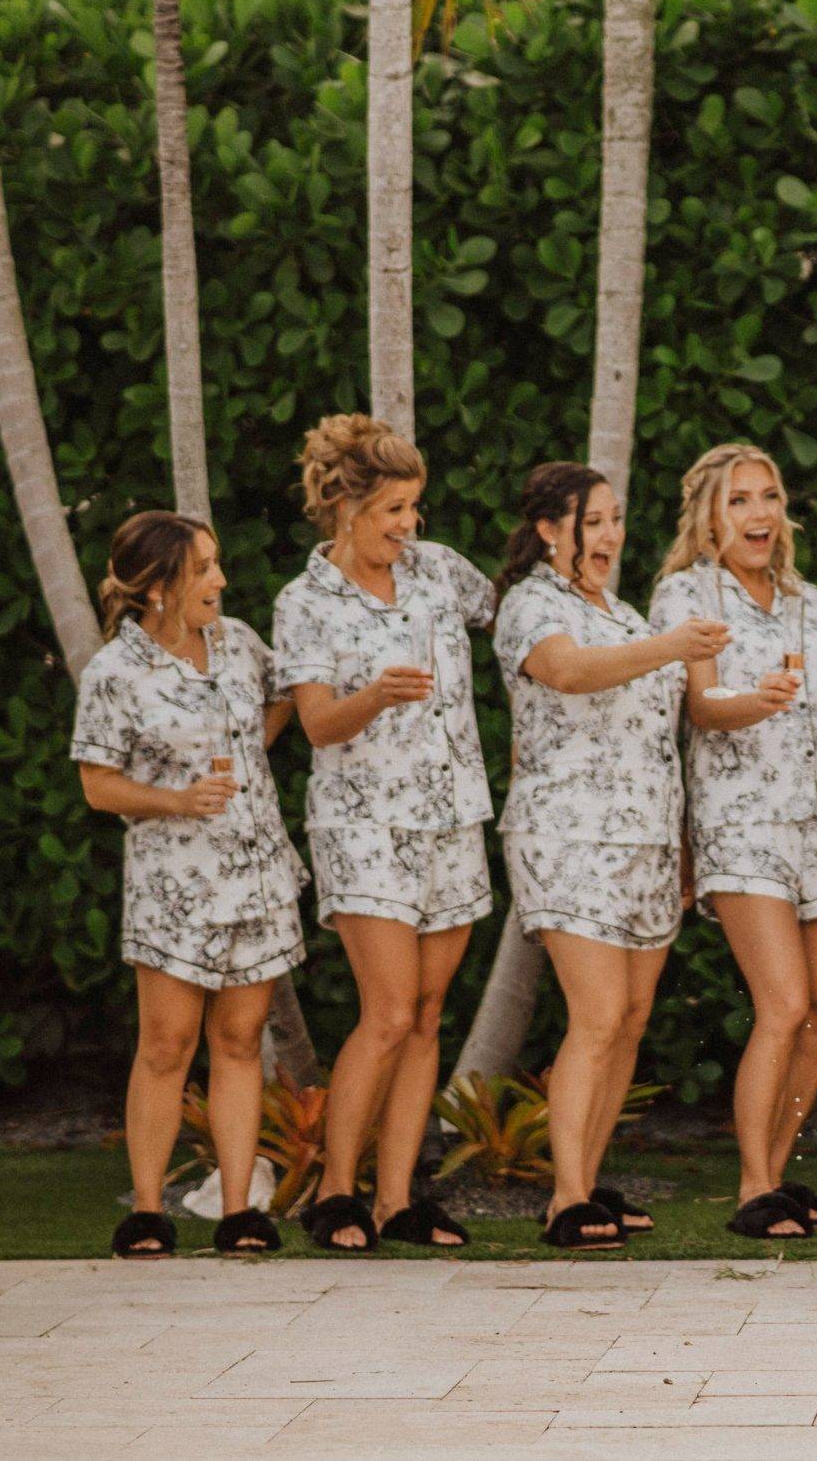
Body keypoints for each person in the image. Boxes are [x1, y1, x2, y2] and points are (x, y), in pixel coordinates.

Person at [492, 463, 726, 1251]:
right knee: (594, 1016)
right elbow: (566, 671)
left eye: (617, 520)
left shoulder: (621, 612)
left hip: (647, 843)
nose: (611, 536)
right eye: (595, 521)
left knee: (628, 1020)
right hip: (568, 836)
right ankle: (564, 1197)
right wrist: (668, 646)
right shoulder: (532, 604)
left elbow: (664, 737)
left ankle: (587, 1182)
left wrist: (685, 847)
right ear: (553, 529)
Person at [274, 414, 492, 1253]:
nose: (408, 526)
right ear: (343, 504)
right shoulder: (305, 602)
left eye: (414, 508)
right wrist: (376, 694)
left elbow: (517, 614)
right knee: (390, 1009)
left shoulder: (439, 573)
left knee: (430, 1012)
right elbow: (320, 723)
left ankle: (400, 1200)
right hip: (363, 824)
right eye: (394, 510)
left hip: (452, 815)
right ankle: (335, 1194)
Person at [73, 513, 305, 1260]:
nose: (220, 581)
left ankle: (240, 1212)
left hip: (257, 873)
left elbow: (286, 696)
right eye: (204, 569)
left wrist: (247, 753)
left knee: (239, 1042)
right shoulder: (114, 673)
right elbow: (97, 786)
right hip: (174, 884)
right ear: (160, 586)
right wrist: (180, 799)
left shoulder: (237, 644)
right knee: (167, 1047)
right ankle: (148, 1212)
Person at [651, 442, 817, 1240]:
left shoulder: (807, 600)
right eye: (740, 500)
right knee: (783, 1004)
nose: (759, 513)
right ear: (710, 515)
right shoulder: (687, 596)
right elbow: (700, 709)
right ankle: (751, 1187)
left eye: (768, 496)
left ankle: (776, 1171)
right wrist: (758, 699)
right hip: (743, 823)